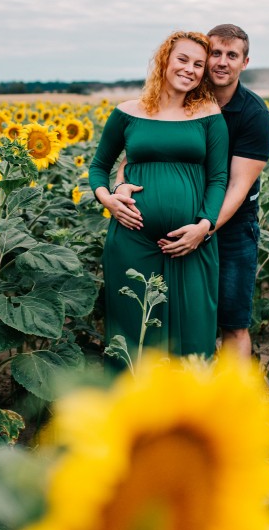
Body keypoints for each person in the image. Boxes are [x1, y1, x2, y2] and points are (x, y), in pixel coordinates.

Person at [115, 23, 269, 358]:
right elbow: (136, 155)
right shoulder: (179, 99)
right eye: (215, 52)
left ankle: (232, 404)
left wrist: (204, 228)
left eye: (232, 55)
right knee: (169, 319)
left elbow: (236, 186)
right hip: (169, 234)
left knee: (232, 321)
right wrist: (118, 186)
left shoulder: (253, 114)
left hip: (230, 229)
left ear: (244, 63)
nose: (222, 61)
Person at [88, 30, 228, 360]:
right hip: (132, 240)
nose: (189, 69)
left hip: (190, 243)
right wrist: (108, 198)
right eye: (182, 59)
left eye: (198, 64)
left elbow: (218, 178)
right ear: (164, 60)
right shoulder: (127, 112)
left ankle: (191, 411)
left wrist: (204, 227)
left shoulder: (208, 115)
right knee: (134, 338)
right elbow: (98, 167)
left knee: (194, 337)